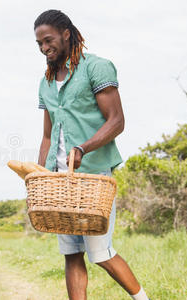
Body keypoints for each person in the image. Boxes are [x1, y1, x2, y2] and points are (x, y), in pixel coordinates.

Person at [34, 10, 149, 300]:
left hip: (93, 177)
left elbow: (116, 120)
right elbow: (48, 135)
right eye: (39, 44)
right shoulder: (46, 82)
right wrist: (39, 175)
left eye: (48, 40)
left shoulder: (96, 67)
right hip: (60, 180)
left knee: (101, 253)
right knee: (71, 254)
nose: (44, 48)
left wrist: (84, 147)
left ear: (66, 34)